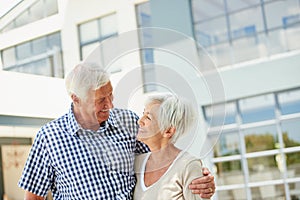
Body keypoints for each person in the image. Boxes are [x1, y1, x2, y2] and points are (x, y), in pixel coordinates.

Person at [18, 63, 215, 199]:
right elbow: (34, 197)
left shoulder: (128, 122)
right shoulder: (49, 138)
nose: (110, 105)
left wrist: (196, 177)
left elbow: (160, 155)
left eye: (110, 95)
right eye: (100, 100)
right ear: (76, 99)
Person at [133, 93, 211, 200]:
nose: (139, 121)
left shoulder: (188, 166)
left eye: (148, 117)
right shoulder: (137, 163)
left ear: (168, 131)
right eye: (143, 114)